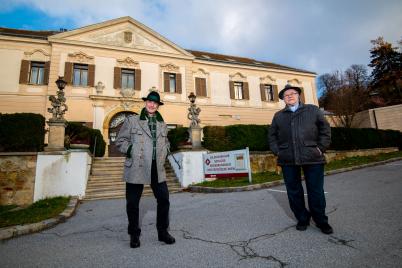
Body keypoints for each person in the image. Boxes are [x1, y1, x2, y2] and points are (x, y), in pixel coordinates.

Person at [268, 84, 333, 234]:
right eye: (286, 95)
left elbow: (325, 129)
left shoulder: (312, 110)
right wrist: (278, 151)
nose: (289, 96)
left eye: (293, 93)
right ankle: (302, 218)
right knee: (294, 191)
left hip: (313, 156)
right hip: (288, 158)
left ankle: (321, 220)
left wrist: (320, 148)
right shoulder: (278, 116)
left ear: (298, 95)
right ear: (283, 99)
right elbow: (272, 136)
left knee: (315, 191)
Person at [116, 91, 175, 248]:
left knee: (164, 199)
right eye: (150, 101)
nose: (152, 105)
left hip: (157, 167)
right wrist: (131, 151)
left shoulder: (162, 124)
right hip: (137, 166)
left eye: (155, 103)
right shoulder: (132, 120)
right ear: (146, 102)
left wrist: (166, 151)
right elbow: (120, 140)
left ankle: (163, 233)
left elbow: (166, 141)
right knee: (133, 203)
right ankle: (134, 234)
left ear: (158, 106)